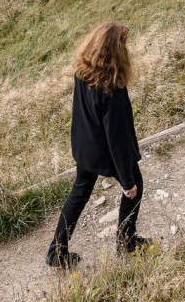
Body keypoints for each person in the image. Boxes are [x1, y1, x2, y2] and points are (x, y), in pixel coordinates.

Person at [46, 22, 152, 269]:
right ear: (115, 51)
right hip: (104, 151)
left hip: (84, 147)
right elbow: (116, 138)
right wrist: (127, 180)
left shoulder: (83, 71)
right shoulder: (112, 87)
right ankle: (126, 242)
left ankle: (56, 251)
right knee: (137, 184)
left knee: (79, 193)